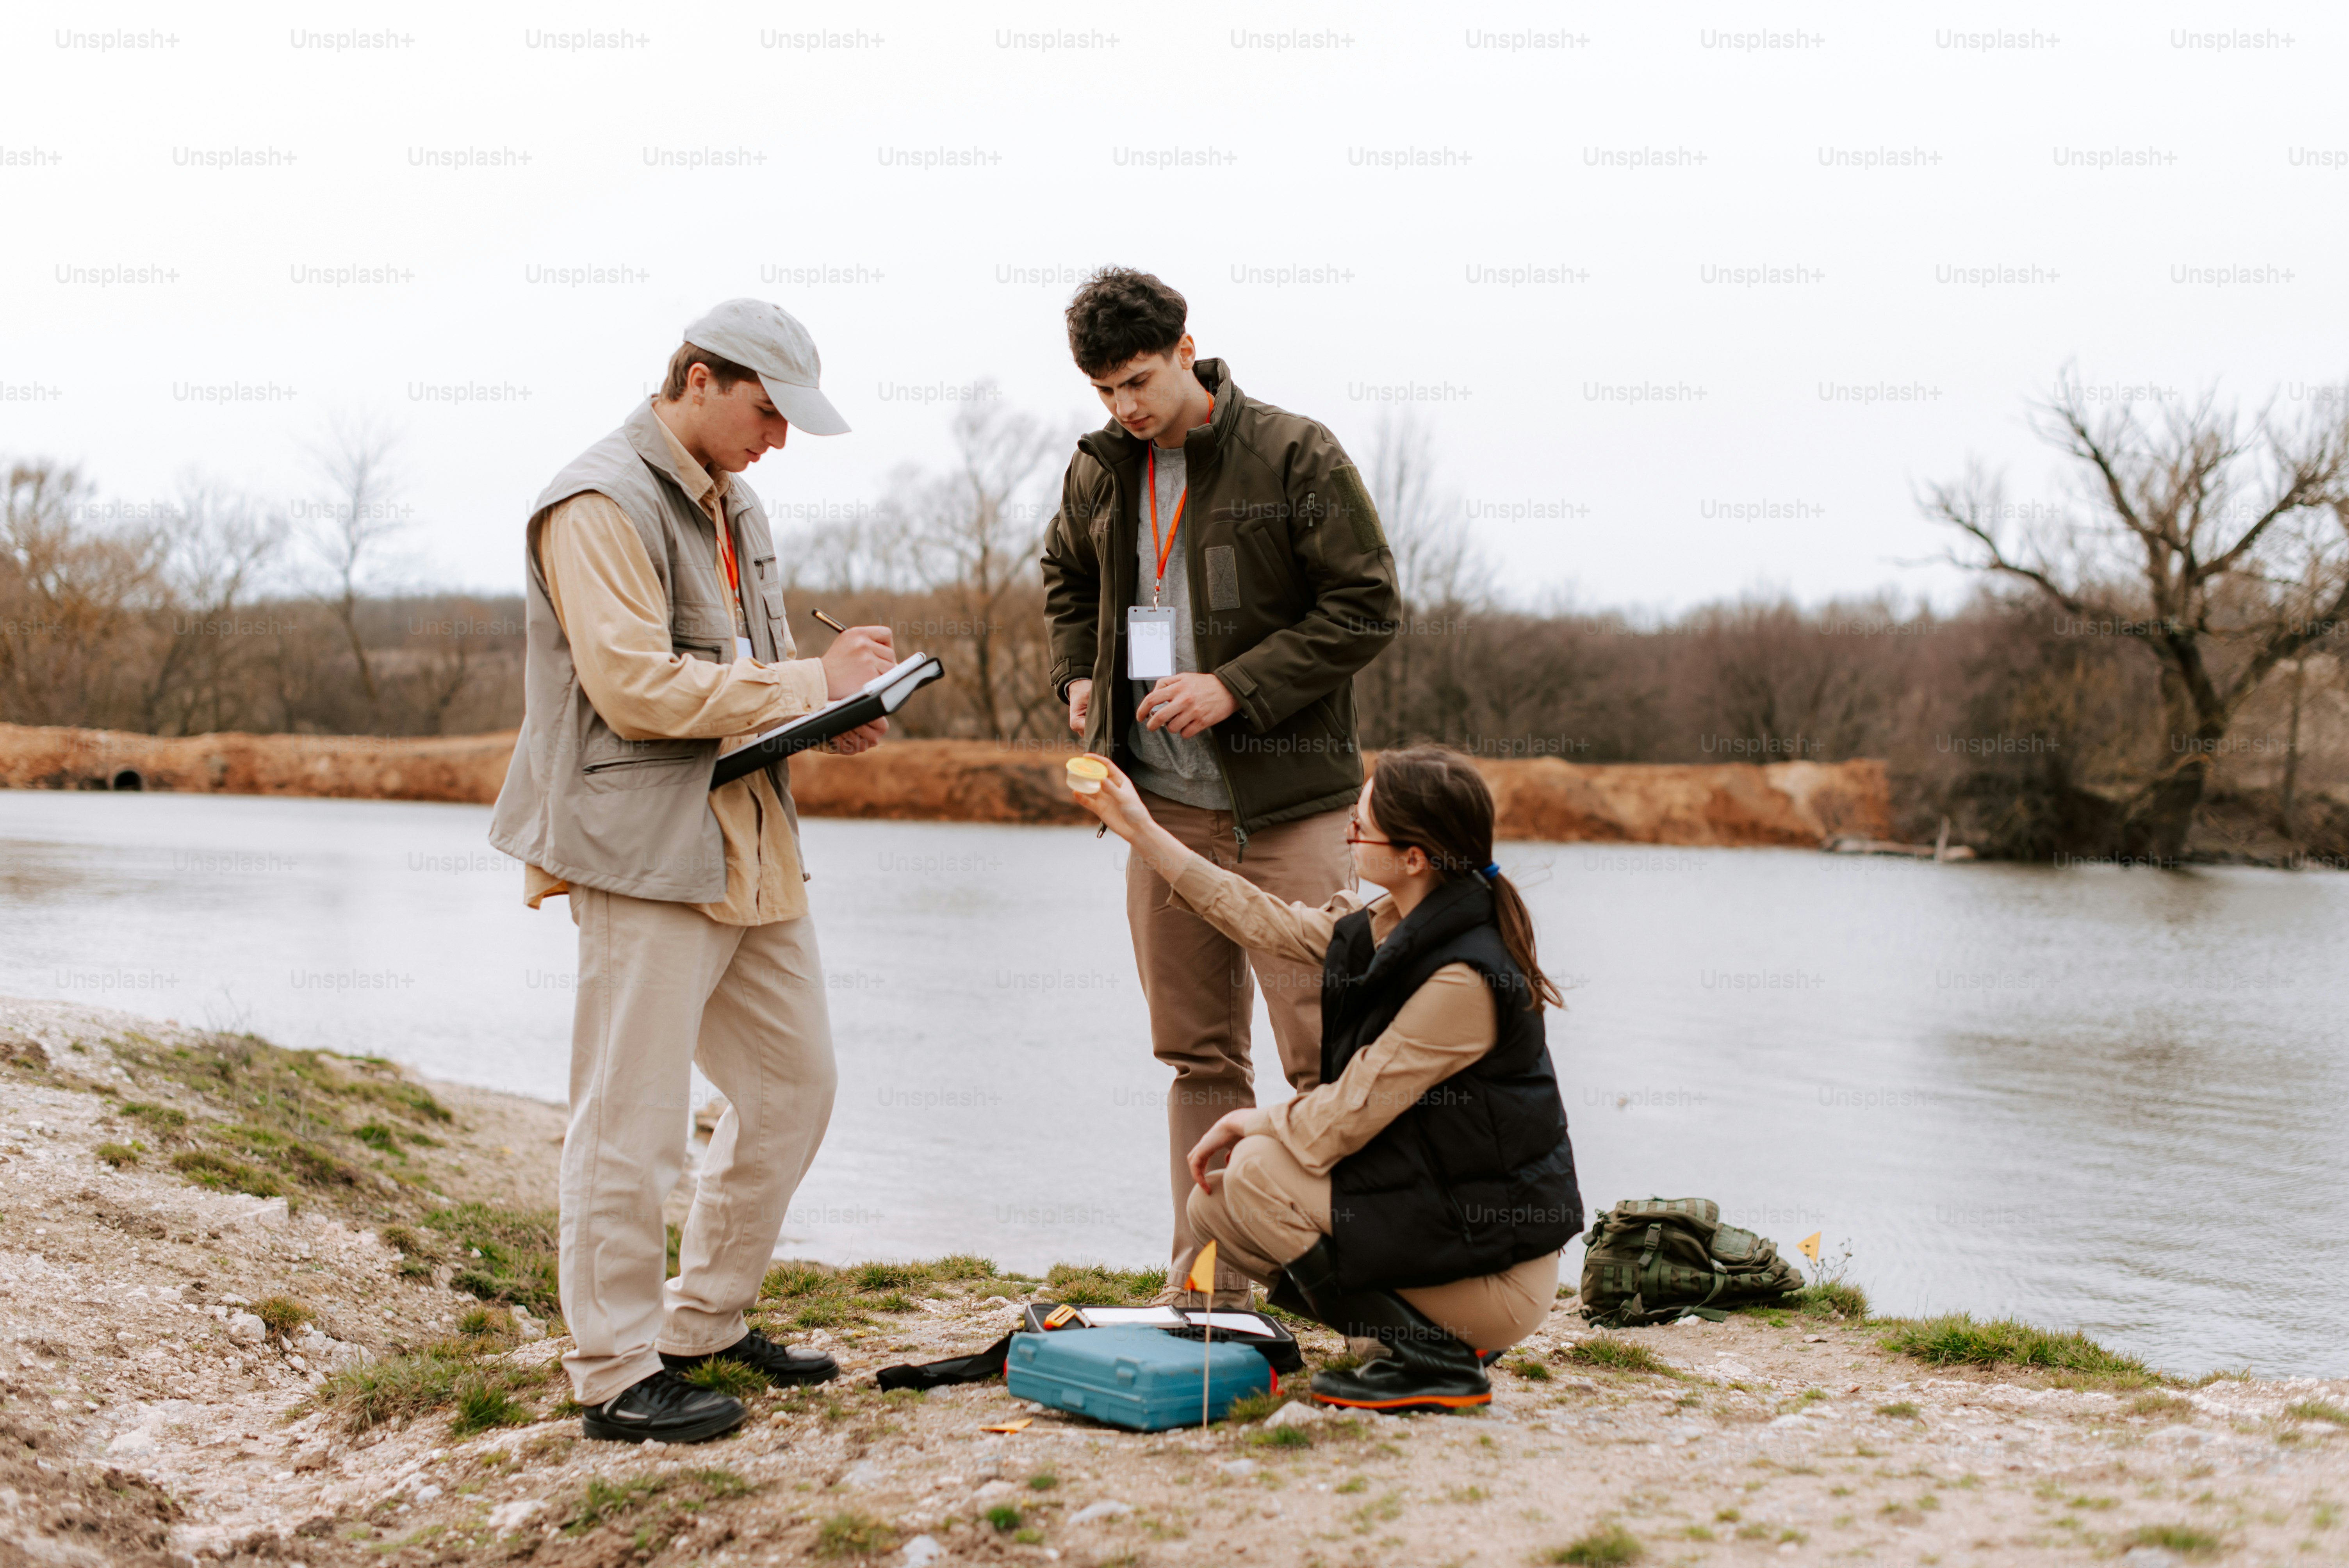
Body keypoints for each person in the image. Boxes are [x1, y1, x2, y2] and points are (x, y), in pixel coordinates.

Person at [488, 299, 896, 1444]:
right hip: (640, 847)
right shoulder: (595, 500)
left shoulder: (738, 500)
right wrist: (809, 682)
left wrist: (834, 712)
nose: (779, 439)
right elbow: (634, 689)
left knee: (795, 1086)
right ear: (700, 379)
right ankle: (614, 1372)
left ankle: (702, 1323)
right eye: (767, 412)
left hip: (749, 837)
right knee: (632, 1119)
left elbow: (748, 672)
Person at [1039, 267, 1402, 1309]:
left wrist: (1235, 687)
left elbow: (1368, 604)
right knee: (1196, 1055)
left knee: (1327, 1054)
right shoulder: (1098, 470)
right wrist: (1076, 675)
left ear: (1187, 349)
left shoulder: (1295, 452)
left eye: (1140, 381)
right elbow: (1065, 579)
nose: (1126, 407)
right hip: (1159, 810)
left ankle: (1363, 1280)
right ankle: (1210, 1281)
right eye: (1105, 389)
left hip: (1291, 811)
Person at [1070, 745, 1583, 1412]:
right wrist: (1141, 829)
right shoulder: (1392, 924)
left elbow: (1347, 1114)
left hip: (1498, 1278)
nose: (1348, 833)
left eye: (1361, 826)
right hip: (1444, 1218)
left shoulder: (1463, 977)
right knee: (1215, 1206)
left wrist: (1252, 1120)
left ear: (1414, 858)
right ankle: (1407, 1338)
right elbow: (1262, 918)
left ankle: (1440, 1362)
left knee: (1256, 1170)